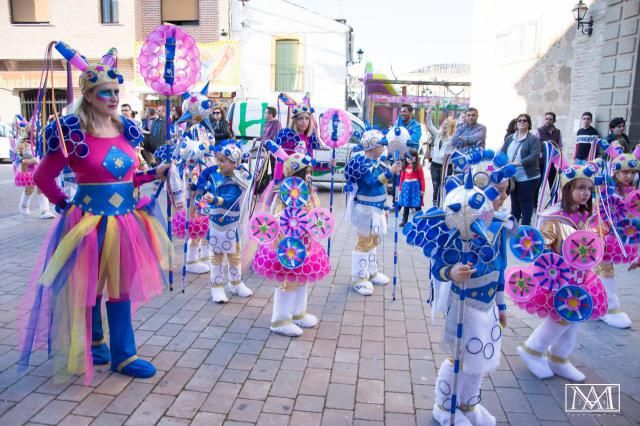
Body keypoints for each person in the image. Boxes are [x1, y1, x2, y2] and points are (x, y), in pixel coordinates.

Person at [20, 47, 172, 382]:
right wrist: (63, 205)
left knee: (120, 288)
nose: (114, 97)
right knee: (89, 288)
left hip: (125, 220)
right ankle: (95, 342)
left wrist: (154, 174)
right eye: (106, 92)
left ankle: (124, 353)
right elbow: (43, 176)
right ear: (88, 96)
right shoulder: (72, 134)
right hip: (87, 222)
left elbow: (128, 178)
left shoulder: (126, 130)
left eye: (117, 91)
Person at [431, 172, 512, 426]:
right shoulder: (455, 226)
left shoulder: (500, 226)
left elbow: (500, 269)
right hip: (464, 304)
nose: (501, 197)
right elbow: (438, 266)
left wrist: (501, 305)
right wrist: (451, 272)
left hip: (488, 307)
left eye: (505, 190)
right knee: (459, 358)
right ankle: (444, 407)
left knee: (482, 356)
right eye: (496, 190)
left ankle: (469, 404)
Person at [517, 163, 601, 382]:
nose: (586, 193)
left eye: (589, 189)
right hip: (559, 277)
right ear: (566, 189)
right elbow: (543, 241)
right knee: (563, 317)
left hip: (581, 277)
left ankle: (559, 358)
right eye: (580, 187)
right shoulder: (555, 217)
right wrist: (534, 241)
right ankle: (532, 350)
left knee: (575, 317)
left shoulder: (585, 214)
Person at [252, 152, 330, 336]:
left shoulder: (307, 192)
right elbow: (279, 216)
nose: (309, 176)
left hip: (304, 242)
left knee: (302, 278)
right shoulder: (286, 195)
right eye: (306, 172)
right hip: (289, 245)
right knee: (290, 280)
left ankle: (297, 313)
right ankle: (280, 319)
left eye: (310, 172)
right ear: (297, 176)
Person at [345, 130, 403, 296]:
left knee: (374, 240)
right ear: (372, 146)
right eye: (381, 145)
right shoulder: (362, 163)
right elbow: (372, 182)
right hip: (364, 210)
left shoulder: (378, 162)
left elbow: (382, 187)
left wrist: (385, 207)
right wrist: (391, 172)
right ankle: (359, 278)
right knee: (364, 242)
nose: (384, 148)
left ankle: (371, 271)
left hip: (377, 209)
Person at [197, 143, 252, 303]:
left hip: (231, 226)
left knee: (234, 257)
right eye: (219, 160)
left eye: (223, 161)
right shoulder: (214, 177)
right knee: (216, 258)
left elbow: (230, 199)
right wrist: (202, 191)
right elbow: (208, 191)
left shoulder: (238, 181)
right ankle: (217, 287)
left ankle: (235, 283)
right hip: (215, 226)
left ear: (234, 163)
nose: (219, 163)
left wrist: (214, 199)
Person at [596, 152, 640, 328]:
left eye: (631, 172)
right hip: (601, 234)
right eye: (624, 172)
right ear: (615, 172)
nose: (628, 176)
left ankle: (600, 305)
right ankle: (610, 309)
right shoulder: (606, 189)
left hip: (622, 236)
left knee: (600, 271)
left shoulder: (634, 194)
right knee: (604, 270)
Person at [500, 114, 541, 226]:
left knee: (526, 203)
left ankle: (525, 227)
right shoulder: (510, 138)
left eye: (524, 120)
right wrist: (499, 162)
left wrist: (519, 163)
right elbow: (502, 151)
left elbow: (534, 155)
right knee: (514, 203)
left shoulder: (533, 139)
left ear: (529, 124)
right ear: (516, 123)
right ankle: (513, 226)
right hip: (513, 177)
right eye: (519, 120)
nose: (521, 122)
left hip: (528, 177)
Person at [13, 131, 55, 219]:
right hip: (30, 171)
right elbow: (23, 161)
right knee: (29, 190)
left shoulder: (40, 141)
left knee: (42, 188)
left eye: (36, 130)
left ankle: (45, 211)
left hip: (40, 170)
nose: (36, 132)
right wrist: (34, 160)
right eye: (34, 130)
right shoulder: (24, 144)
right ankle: (24, 206)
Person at [427, 108, 456, 206]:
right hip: (435, 165)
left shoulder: (452, 139)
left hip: (446, 166)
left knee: (444, 186)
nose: (444, 125)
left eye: (447, 124)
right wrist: (429, 114)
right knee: (435, 186)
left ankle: (444, 205)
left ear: (451, 127)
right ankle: (435, 206)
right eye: (444, 123)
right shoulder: (438, 135)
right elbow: (430, 126)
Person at [535, 112, 562, 194]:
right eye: (546, 119)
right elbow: (535, 146)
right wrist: (539, 155)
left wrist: (558, 156)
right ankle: (534, 206)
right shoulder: (538, 131)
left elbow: (560, 145)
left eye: (550, 119)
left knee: (553, 184)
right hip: (541, 163)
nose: (548, 121)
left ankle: (553, 203)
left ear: (554, 121)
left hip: (552, 163)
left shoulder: (558, 132)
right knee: (537, 184)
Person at [398, 148, 425, 226]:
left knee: (417, 205)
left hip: (415, 189)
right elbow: (402, 178)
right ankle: (404, 220)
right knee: (406, 205)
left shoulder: (418, 167)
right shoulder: (404, 167)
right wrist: (400, 188)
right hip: (406, 188)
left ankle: (422, 219)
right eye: (407, 157)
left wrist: (422, 190)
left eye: (411, 157)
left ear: (415, 157)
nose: (409, 159)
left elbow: (422, 179)